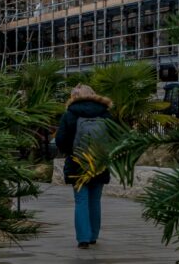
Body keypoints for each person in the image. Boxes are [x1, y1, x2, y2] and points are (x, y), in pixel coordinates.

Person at [55, 83, 115, 250]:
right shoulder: (106, 114)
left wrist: (71, 152)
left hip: (77, 164)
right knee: (95, 201)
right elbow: (114, 137)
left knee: (81, 201)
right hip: (99, 163)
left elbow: (60, 140)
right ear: (93, 94)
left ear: (74, 97)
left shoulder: (70, 114)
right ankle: (93, 235)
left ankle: (83, 239)